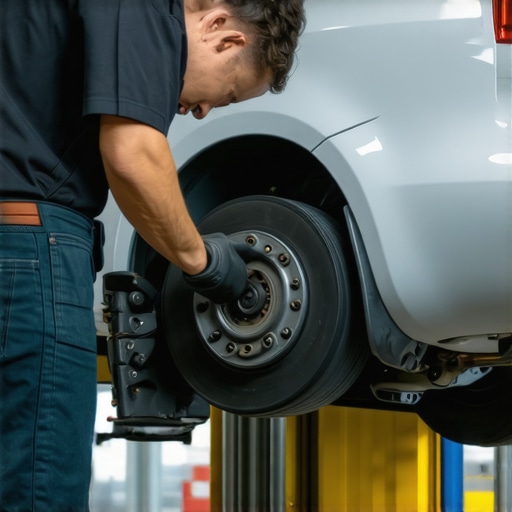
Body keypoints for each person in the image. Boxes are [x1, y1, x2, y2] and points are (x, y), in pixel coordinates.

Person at [0, 0, 305, 510]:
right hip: (27, 254)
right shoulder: (144, 8)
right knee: (36, 491)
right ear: (222, 34)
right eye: (228, 94)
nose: (204, 110)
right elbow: (133, 154)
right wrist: (206, 264)